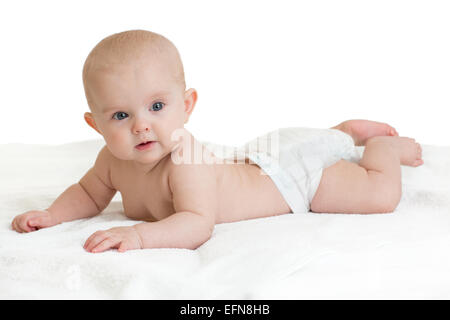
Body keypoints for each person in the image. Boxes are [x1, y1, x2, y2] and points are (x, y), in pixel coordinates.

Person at [11, 30, 423, 253]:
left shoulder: (185, 158)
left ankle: (380, 149)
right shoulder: (110, 160)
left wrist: (139, 237)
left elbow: (197, 223)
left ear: (187, 105)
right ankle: (342, 132)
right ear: (95, 125)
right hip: (257, 158)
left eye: (157, 106)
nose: (142, 126)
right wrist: (53, 215)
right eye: (121, 115)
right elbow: (88, 193)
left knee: (379, 194)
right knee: (318, 144)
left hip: (291, 181)